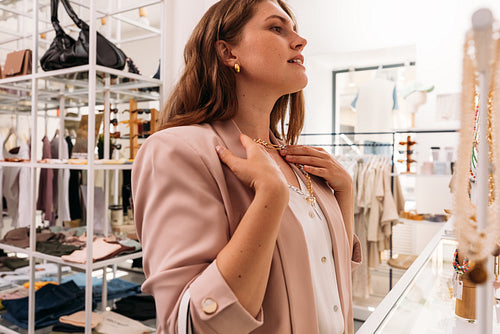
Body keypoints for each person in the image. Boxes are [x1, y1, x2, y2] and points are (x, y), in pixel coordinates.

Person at [132, 0, 361, 333]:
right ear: (228, 53)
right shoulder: (176, 151)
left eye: (294, 30)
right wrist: (269, 197)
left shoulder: (299, 161)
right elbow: (189, 322)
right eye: (276, 28)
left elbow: (327, 287)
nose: (300, 41)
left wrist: (345, 194)